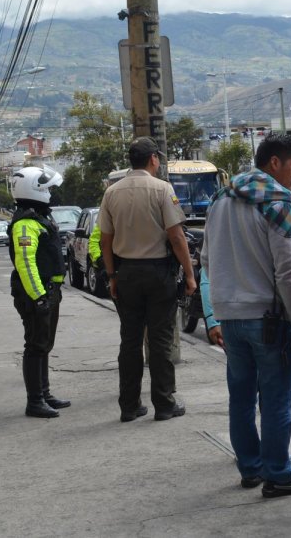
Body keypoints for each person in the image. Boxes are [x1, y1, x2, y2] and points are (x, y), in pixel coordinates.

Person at [201, 134, 291, 498]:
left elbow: (205, 261)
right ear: (275, 163)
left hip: (230, 318)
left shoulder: (220, 200)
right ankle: (279, 474)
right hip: (269, 319)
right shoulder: (278, 204)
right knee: (277, 401)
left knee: (241, 399)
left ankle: (251, 468)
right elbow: (288, 272)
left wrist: (212, 316)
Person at [100, 137, 195, 423]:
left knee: (129, 341)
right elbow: (177, 237)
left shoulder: (111, 193)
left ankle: (129, 406)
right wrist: (189, 274)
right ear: (153, 158)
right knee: (160, 339)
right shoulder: (163, 190)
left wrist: (112, 275)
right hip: (158, 273)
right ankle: (164, 404)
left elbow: (106, 240)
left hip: (126, 273)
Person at [7, 166, 71, 419]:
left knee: (44, 344)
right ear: (34, 189)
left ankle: (44, 394)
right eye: (47, 189)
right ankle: (35, 401)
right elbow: (25, 262)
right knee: (35, 346)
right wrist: (39, 297)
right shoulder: (25, 223)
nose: (51, 194)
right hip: (36, 293)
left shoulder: (38, 217)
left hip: (48, 290)